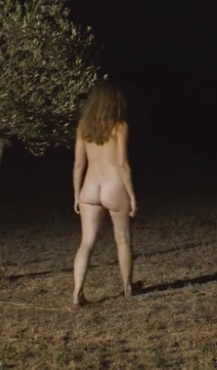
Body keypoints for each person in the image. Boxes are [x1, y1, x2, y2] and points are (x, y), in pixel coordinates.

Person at [71, 82, 137, 308]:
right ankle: (127, 288)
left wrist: (76, 193)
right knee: (123, 240)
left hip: (90, 187)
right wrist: (132, 194)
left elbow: (78, 165)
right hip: (113, 186)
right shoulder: (120, 126)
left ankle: (77, 292)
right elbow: (123, 164)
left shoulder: (83, 128)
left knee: (86, 242)